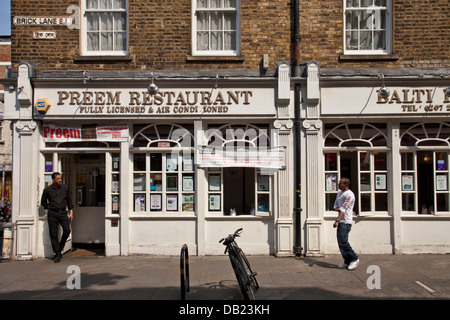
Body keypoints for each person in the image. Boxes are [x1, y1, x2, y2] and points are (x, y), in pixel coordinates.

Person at [41, 172, 74, 263]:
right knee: (53, 234)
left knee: (67, 230)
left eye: (60, 178)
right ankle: (57, 253)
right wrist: (50, 207)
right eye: (58, 179)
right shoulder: (47, 190)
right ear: (53, 179)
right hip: (52, 213)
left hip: (63, 212)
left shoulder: (65, 188)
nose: (60, 180)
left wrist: (71, 211)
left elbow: (69, 200)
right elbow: (43, 202)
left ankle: (60, 247)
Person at [333, 177, 359, 270]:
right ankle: (347, 261)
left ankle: (354, 258)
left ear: (346, 185)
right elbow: (336, 205)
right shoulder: (339, 193)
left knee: (344, 241)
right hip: (341, 221)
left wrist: (337, 220)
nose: (339, 184)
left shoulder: (350, 195)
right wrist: (337, 209)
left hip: (346, 221)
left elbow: (343, 208)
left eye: (341, 183)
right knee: (340, 242)